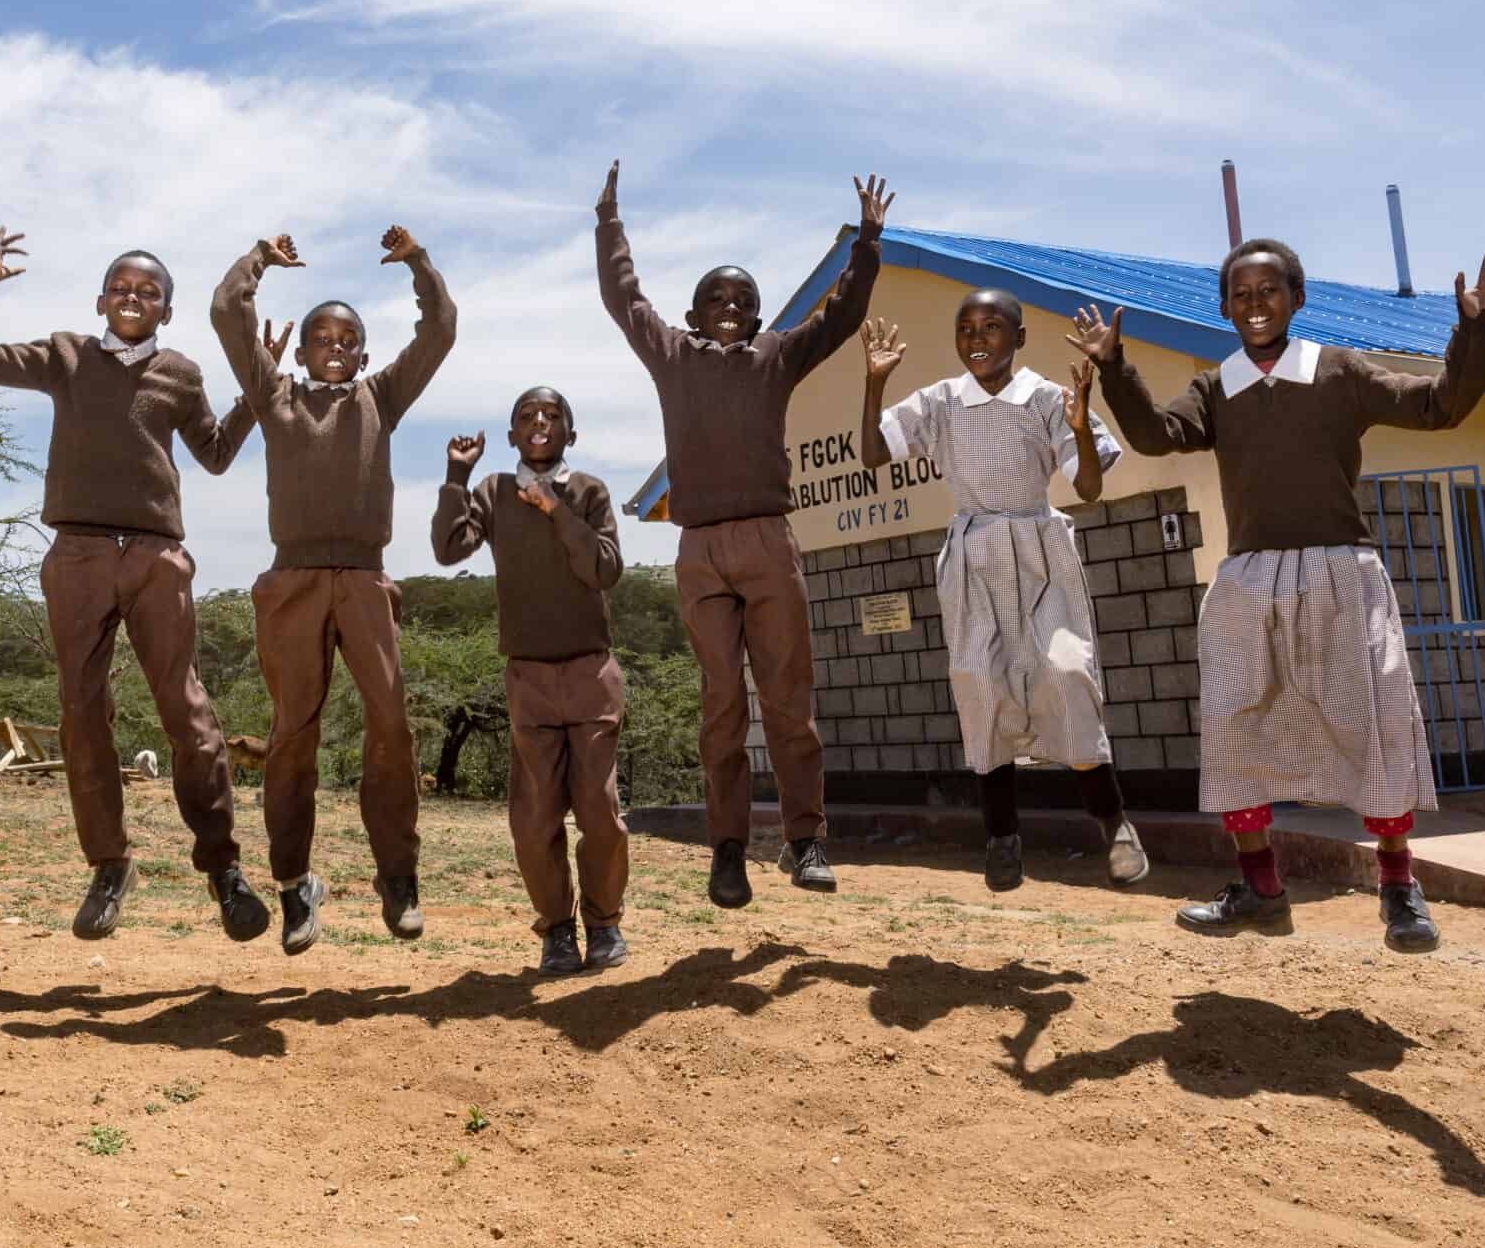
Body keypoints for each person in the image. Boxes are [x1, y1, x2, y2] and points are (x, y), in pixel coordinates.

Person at [1074, 238, 1485, 951]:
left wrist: (1473, 330)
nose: (1255, 305)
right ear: (1225, 307)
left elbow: (1440, 404)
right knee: (1233, 723)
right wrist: (1113, 366)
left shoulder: (1337, 371)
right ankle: (1260, 887)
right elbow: (1155, 436)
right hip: (1251, 580)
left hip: (1341, 575)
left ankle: (1400, 888)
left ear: (1297, 298)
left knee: (1372, 720)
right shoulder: (1215, 386)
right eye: (1241, 294)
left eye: (1269, 291)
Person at [0, 232, 272, 946]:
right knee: (80, 710)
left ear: (166, 309)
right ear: (100, 299)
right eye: (120, 287)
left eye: (148, 291)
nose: (133, 297)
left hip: (156, 555)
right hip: (79, 554)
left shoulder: (180, 374)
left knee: (187, 713)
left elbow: (214, 455)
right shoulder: (66, 356)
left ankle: (223, 867)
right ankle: (109, 864)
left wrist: (256, 392)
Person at [595, 159, 889, 907]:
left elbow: (840, 317)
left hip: (767, 541)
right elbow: (625, 300)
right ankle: (727, 850)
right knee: (722, 702)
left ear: (758, 317)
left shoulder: (776, 356)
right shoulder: (673, 356)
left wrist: (867, 245)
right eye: (715, 298)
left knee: (789, 698)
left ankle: (805, 839)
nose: (729, 306)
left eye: (743, 299)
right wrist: (609, 227)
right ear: (693, 316)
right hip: (700, 550)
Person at [212, 227, 457, 955]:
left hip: (364, 578)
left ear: (364, 352)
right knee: (293, 735)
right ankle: (294, 886)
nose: (334, 343)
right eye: (321, 334)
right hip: (291, 581)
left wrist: (419, 261)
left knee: (391, 724)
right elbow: (228, 312)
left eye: (348, 336)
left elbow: (440, 329)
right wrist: (258, 256)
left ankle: (398, 877)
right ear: (302, 348)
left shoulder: (383, 394)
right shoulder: (272, 393)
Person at [858, 290, 1147, 892]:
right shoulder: (939, 401)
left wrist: (1080, 430)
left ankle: (1114, 823)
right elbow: (871, 454)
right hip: (973, 556)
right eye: (966, 328)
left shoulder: (1047, 397)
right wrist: (874, 384)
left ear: (1019, 338)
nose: (978, 339)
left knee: (1067, 670)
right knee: (980, 682)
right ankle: (1002, 836)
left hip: (1040, 551)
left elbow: (1089, 487)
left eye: (993, 327)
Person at [432, 389, 631, 974]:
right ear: (513, 434)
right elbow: (448, 549)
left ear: (571, 433)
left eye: (552, 417)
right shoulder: (493, 492)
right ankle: (557, 932)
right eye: (526, 417)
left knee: (599, 812)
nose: (539, 423)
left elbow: (605, 569)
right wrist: (454, 476)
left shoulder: (590, 491)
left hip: (591, 673)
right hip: (529, 678)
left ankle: (604, 925)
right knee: (535, 816)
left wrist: (556, 510)